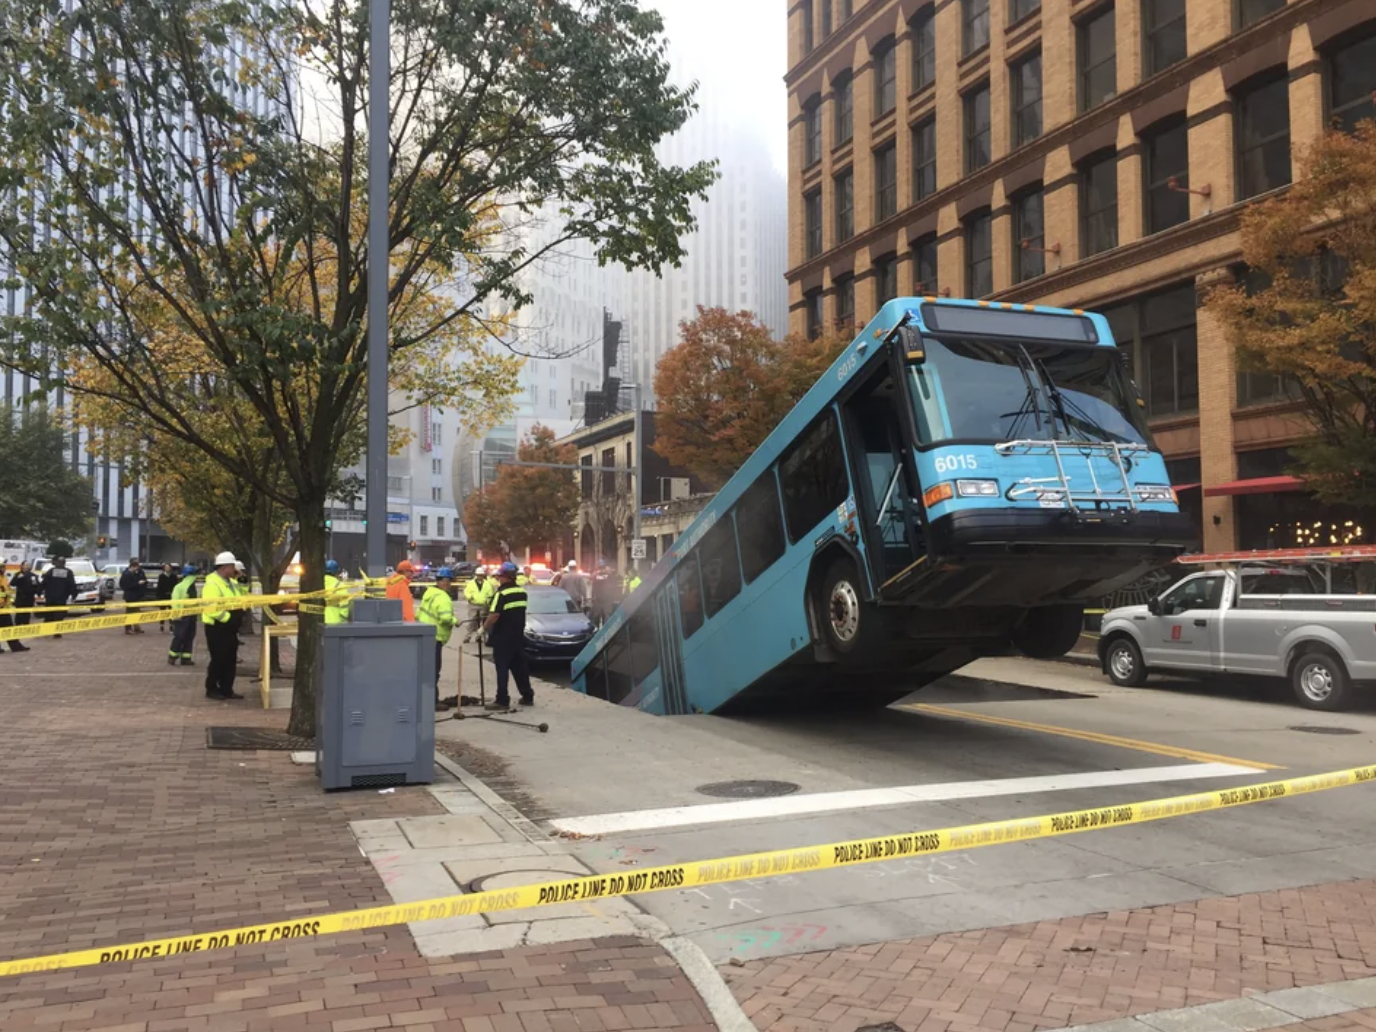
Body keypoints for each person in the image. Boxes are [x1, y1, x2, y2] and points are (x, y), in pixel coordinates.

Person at [483, 562, 534, 710]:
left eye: (500, 576)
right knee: (520, 667)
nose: (499, 579)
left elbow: (494, 615)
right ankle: (527, 695)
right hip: (518, 636)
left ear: (505, 577)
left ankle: (502, 700)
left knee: (502, 668)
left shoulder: (501, 594)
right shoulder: (521, 592)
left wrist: (482, 629)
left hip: (503, 637)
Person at [201, 551, 244, 700]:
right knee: (219, 659)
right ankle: (211, 688)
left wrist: (241, 578)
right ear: (224, 567)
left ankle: (227, 689)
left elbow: (240, 598)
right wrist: (228, 619)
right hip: (217, 628)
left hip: (230, 628)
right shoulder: (212, 584)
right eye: (232, 566)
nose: (235, 569)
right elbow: (210, 608)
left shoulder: (231, 582)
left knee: (230, 659)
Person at [417, 567, 456, 712]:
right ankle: (432, 701)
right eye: (446, 581)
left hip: (424, 634)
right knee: (433, 671)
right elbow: (445, 618)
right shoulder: (443, 597)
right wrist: (455, 620)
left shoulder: (429, 594)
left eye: (448, 581)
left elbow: (419, 614)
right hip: (435, 637)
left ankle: (423, 698)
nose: (447, 584)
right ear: (441, 582)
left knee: (425, 670)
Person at [168, 564, 199, 666]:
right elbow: (175, 602)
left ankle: (186, 658)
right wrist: (177, 614)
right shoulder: (181, 587)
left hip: (191, 615)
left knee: (189, 636)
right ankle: (172, 656)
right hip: (183, 615)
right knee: (180, 636)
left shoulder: (191, 586)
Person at [40, 557, 76, 639]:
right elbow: (72, 584)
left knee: (49, 614)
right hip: (61, 598)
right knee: (59, 616)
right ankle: (57, 632)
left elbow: (44, 582)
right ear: (64, 563)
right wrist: (74, 594)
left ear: (57, 563)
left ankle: (46, 630)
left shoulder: (51, 571)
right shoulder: (68, 572)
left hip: (50, 597)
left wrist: (39, 591)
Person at [0, 567, 31, 652]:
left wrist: (9, 601)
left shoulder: (4, 578)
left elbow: (6, 591)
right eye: (2, 567)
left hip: (4, 608)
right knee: (8, 627)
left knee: (9, 628)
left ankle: (16, 647)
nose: (4, 569)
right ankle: (16, 647)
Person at [119, 558, 150, 635]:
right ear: (132, 566)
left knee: (136, 611)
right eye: (136, 567)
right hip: (130, 596)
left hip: (137, 595)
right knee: (130, 612)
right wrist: (138, 583)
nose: (137, 568)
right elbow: (126, 585)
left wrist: (143, 584)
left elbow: (144, 579)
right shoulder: (127, 574)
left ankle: (136, 627)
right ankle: (128, 628)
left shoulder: (139, 572)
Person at [462, 565, 491, 642]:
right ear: (476, 575)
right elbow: (466, 592)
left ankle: (479, 637)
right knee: (472, 621)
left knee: (483, 622)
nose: (480, 577)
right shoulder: (471, 583)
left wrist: (487, 601)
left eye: (481, 575)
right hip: (473, 605)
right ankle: (468, 636)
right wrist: (470, 597)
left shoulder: (487, 584)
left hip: (483, 605)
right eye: (478, 575)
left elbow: (490, 593)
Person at [590, 559, 621, 627]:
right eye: (601, 567)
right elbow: (614, 587)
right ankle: (600, 633)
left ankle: (601, 633)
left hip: (604, 600)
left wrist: (593, 598)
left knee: (602, 617)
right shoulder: (608, 575)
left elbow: (594, 588)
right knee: (601, 617)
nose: (601, 569)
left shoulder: (599, 576)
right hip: (602, 600)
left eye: (602, 567)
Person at [10, 561, 38, 629]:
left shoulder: (33, 576)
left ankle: (25, 628)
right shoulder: (18, 574)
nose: (27, 566)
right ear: (22, 566)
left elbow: (36, 586)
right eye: (26, 565)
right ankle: (17, 627)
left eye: (28, 565)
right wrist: (18, 578)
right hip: (20, 598)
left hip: (29, 599)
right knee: (19, 614)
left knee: (27, 615)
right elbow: (12, 583)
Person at [155, 563, 176, 631]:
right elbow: (159, 586)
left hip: (171, 597)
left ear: (170, 568)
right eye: (166, 567)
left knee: (171, 612)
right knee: (162, 612)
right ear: (164, 568)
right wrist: (158, 596)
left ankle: (171, 626)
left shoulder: (174, 576)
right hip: (163, 596)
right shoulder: (161, 576)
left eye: (168, 567)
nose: (167, 568)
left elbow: (176, 586)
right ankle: (162, 625)